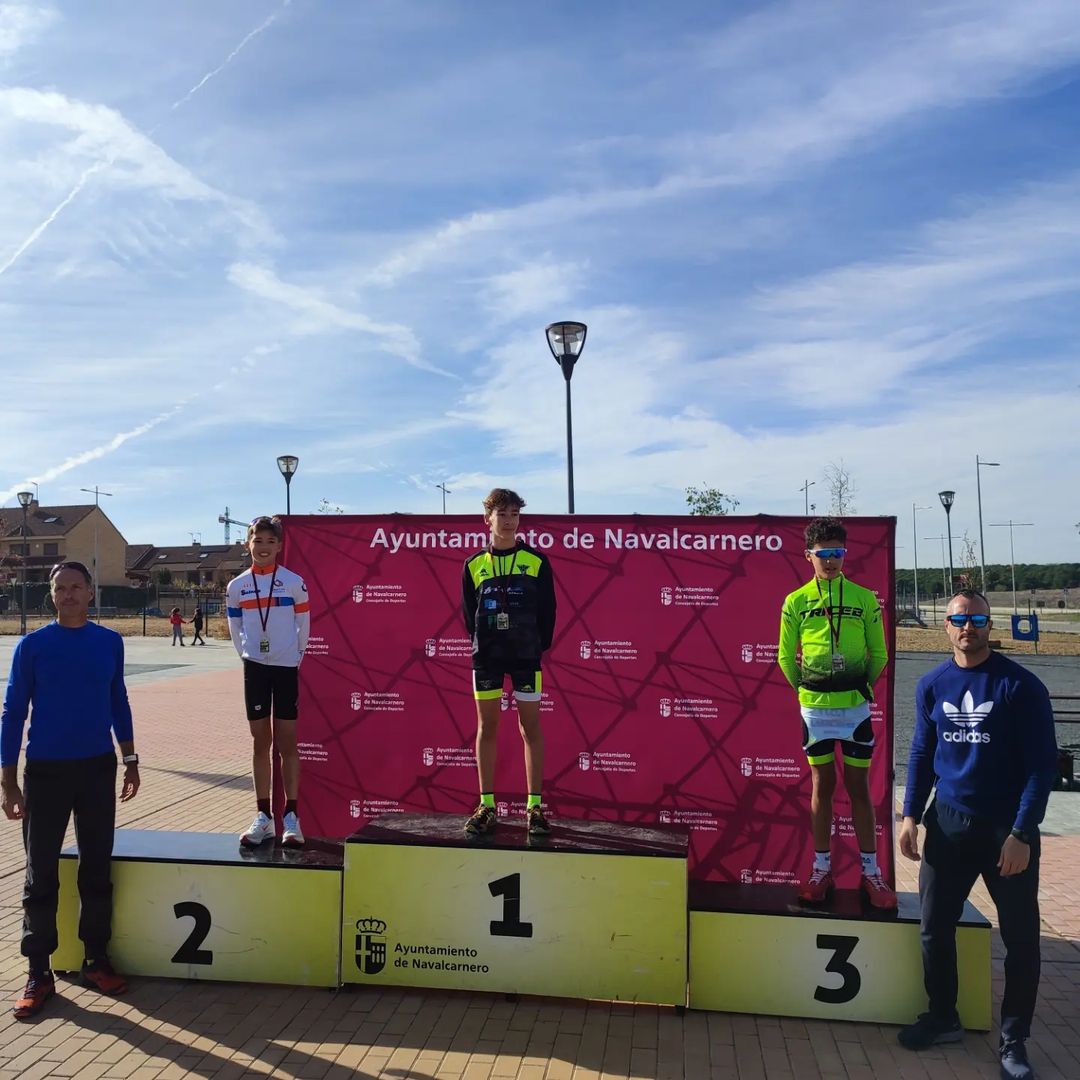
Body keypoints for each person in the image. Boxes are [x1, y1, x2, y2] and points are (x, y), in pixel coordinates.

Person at [898, 589, 1057, 1080]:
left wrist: (1022, 832)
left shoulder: (1020, 686)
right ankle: (942, 1016)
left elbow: (1042, 767)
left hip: (1005, 830)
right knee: (933, 927)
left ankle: (1014, 1040)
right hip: (948, 823)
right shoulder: (932, 684)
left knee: (1021, 939)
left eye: (978, 619)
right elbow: (922, 753)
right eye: (959, 619)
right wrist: (910, 815)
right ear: (945, 626)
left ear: (990, 625)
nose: (968, 627)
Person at [1, 561, 140, 1020]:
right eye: (60, 588)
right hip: (45, 772)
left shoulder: (110, 642)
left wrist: (130, 759)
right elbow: (13, 712)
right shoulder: (33, 646)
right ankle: (38, 972)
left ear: (91, 592)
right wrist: (8, 780)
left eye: (76, 587)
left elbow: (118, 699)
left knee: (96, 869)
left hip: (97, 769)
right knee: (40, 874)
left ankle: (95, 960)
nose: (68, 595)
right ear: (52, 593)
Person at [778, 517, 896, 909]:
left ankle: (871, 873)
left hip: (854, 711)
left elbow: (879, 654)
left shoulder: (864, 598)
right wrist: (805, 690)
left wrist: (860, 687)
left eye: (837, 553)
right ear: (808, 555)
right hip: (815, 713)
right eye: (823, 553)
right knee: (822, 787)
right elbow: (785, 657)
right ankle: (820, 868)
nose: (830, 561)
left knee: (860, 789)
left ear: (845, 555)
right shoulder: (796, 601)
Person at [461, 489, 557, 837]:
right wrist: (487, 642)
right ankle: (487, 805)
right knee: (487, 728)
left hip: (525, 656)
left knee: (530, 729)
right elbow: (468, 615)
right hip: (487, 657)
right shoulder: (473, 564)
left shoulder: (536, 561)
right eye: (502, 514)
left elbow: (548, 611)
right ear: (487, 518)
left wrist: (532, 645)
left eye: (514, 514)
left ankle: (534, 807)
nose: (509, 521)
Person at [227, 516, 310, 848]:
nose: (263, 547)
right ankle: (263, 816)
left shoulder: (293, 582)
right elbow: (235, 629)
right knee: (260, 742)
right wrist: (249, 657)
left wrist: (295, 656)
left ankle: (291, 817)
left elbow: (304, 624)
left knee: (287, 743)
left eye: (269, 541)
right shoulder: (237, 586)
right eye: (257, 541)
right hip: (256, 668)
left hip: (286, 667)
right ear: (247, 544)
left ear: (279, 546)